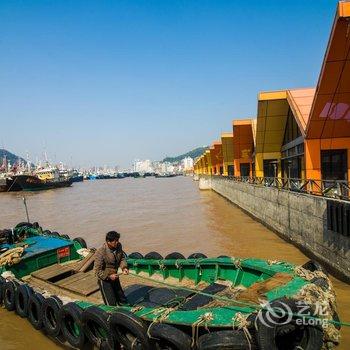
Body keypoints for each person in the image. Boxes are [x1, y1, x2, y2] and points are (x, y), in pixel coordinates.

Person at [94, 230, 129, 305]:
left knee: (121, 298)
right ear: (108, 241)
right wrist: (109, 277)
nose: (117, 242)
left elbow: (122, 258)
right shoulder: (101, 252)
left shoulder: (119, 246)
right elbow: (97, 271)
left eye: (118, 240)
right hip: (105, 279)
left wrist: (124, 268)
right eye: (115, 241)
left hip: (115, 275)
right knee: (111, 302)